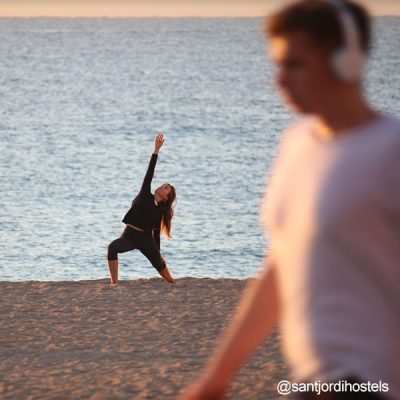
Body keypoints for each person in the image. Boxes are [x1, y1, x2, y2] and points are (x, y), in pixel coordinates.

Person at [180, 1, 399, 399]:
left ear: (346, 61)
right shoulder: (295, 145)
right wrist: (217, 376)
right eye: (277, 65)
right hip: (307, 383)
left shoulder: (391, 149)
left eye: (294, 64)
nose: (278, 80)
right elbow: (283, 265)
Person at [107, 134, 176, 284]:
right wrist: (156, 150)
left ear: (165, 197)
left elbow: (156, 232)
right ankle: (114, 283)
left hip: (146, 239)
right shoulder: (145, 193)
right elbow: (149, 174)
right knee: (112, 247)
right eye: (163, 185)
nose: (162, 186)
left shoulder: (159, 212)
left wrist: (158, 252)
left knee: (159, 264)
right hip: (129, 235)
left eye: (166, 188)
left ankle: (172, 282)